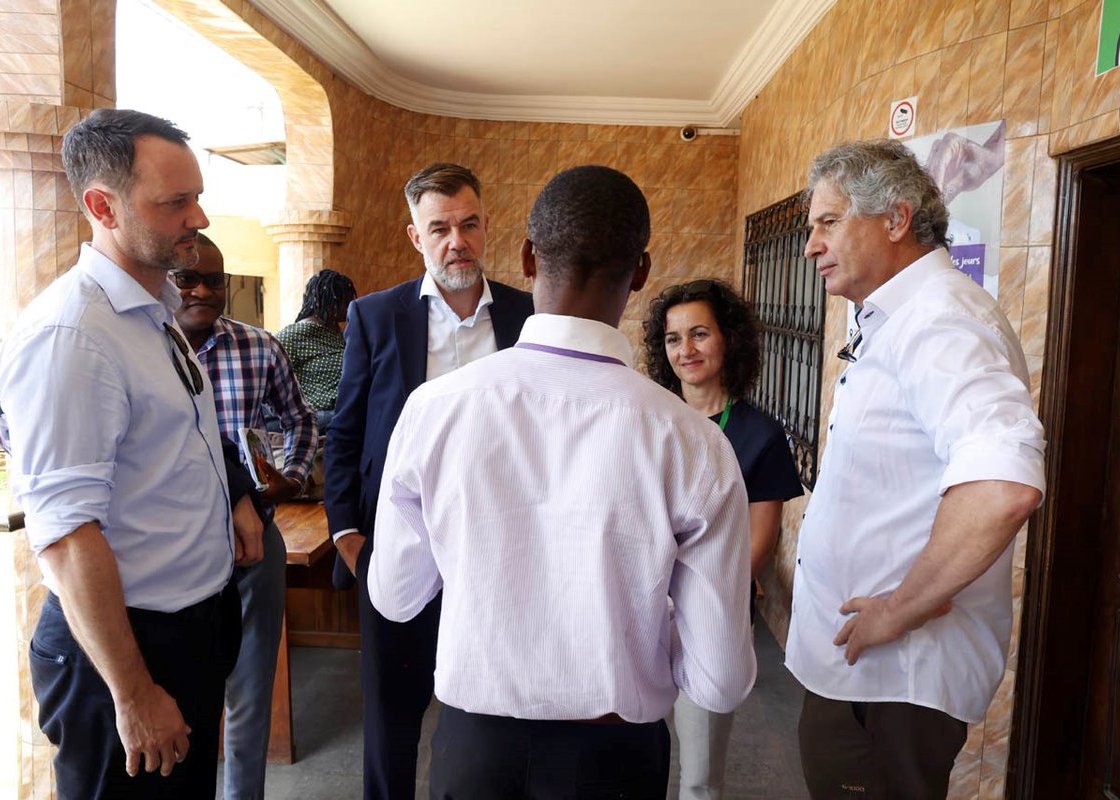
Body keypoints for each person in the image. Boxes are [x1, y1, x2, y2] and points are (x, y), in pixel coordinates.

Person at [368, 165, 757, 798]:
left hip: (473, 749)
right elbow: (719, 680)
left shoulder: (434, 410)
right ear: (640, 273)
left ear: (525, 256)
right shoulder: (692, 442)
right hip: (614, 760)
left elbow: (395, 595)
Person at [0, 108, 264, 798]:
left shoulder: (155, 310)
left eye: (197, 196)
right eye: (176, 202)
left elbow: (179, 438)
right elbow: (63, 532)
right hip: (123, 653)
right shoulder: (73, 335)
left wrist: (231, 498)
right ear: (101, 206)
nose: (198, 217)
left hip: (188, 631)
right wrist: (135, 692)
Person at [788, 139, 1046, 799]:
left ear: (896, 219)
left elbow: (1002, 487)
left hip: (895, 681)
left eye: (828, 222)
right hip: (868, 676)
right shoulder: (898, 318)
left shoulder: (940, 319)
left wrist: (900, 610)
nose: (812, 245)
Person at [323, 162, 533, 799]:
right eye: (439, 228)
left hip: (500, 554)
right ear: (416, 237)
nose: (456, 241)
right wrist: (349, 537)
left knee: (496, 714)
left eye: (469, 224)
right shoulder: (376, 316)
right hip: (399, 548)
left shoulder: (527, 315)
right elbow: (345, 430)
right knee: (390, 717)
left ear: (486, 226)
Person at [642, 278, 803, 800]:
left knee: (700, 780)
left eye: (699, 334)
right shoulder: (646, 420)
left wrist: (703, 588)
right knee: (628, 766)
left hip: (709, 620)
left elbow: (760, 537)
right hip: (637, 617)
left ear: (728, 339)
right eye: (673, 339)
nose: (685, 350)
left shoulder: (761, 435)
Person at [172, 233, 317, 799]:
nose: (204, 290)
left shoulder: (258, 346)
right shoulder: (145, 349)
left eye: (216, 280)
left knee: (251, 694)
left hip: (255, 545)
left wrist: (292, 476)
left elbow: (300, 419)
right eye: (188, 279)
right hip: (175, 550)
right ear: (165, 279)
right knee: (183, 694)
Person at [275, 268, 357, 432]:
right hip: (318, 416)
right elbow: (270, 373)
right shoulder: (295, 334)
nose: (350, 306)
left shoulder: (337, 333)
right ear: (329, 300)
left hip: (343, 408)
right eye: (345, 300)